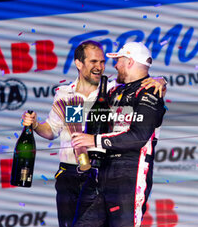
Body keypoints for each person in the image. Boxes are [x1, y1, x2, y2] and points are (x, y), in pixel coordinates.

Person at [22, 40, 167, 227]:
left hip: (102, 169)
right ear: (78, 63)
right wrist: (35, 125)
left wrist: (160, 81)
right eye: (93, 62)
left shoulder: (110, 88)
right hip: (72, 171)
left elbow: (142, 85)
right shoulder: (66, 94)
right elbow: (51, 130)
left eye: (102, 62)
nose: (100, 67)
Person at [71, 42, 166, 227]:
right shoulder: (113, 89)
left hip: (128, 176)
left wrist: (95, 140)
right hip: (99, 172)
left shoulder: (150, 92)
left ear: (130, 62)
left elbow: (138, 137)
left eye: (118, 61)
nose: (115, 65)